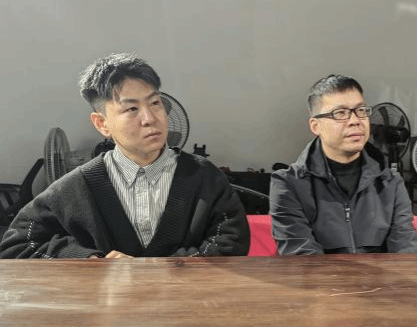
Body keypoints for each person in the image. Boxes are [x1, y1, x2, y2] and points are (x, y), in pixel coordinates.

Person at [0, 53, 250, 258]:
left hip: (186, 302)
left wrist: (160, 270)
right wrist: (90, 261)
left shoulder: (205, 177)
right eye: (131, 108)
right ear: (101, 124)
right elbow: (19, 245)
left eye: (155, 103)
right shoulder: (76, 187)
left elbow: (231, 242)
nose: (150, 118)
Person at [270, 75, 417, 255]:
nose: (355, 120)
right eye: (340, 113)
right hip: (319, 274)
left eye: (361, 110)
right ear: (315, 126)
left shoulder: (390, 182)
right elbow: (302, 256)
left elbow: (406, 248)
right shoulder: (288, 184)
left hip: (384, 275)